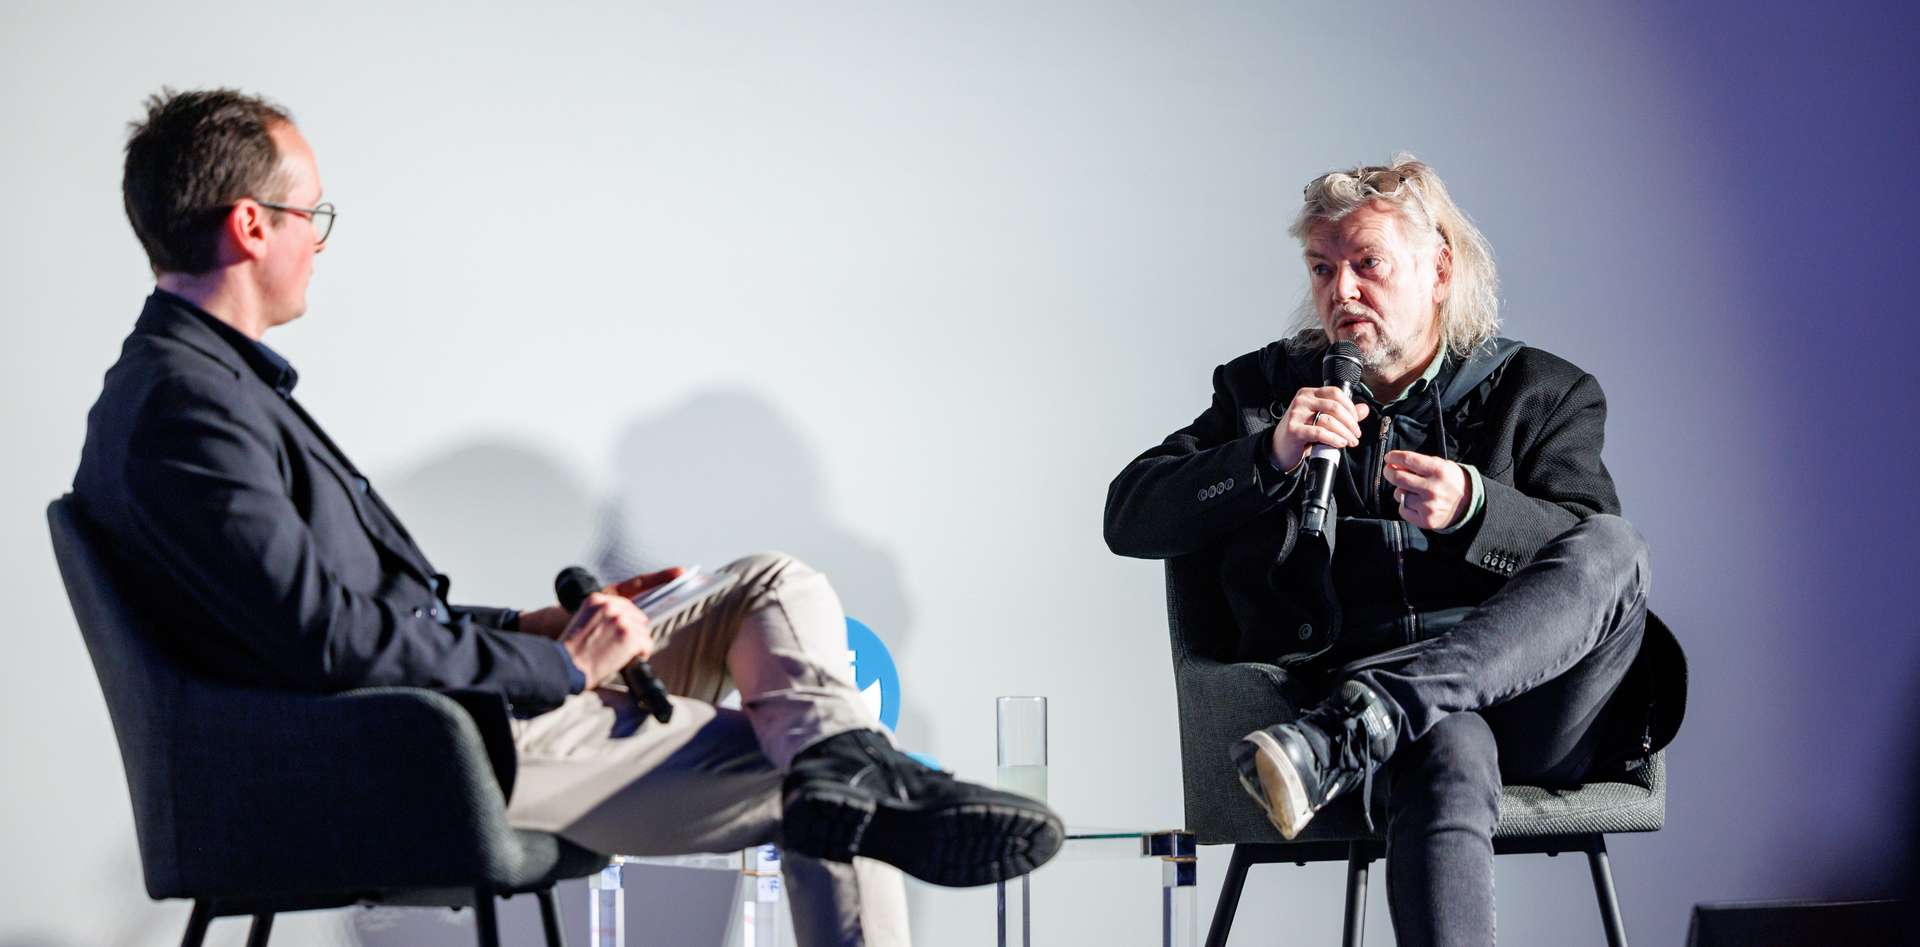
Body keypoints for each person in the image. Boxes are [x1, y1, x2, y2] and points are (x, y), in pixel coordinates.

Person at [73, 89, 1063, 947]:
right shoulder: (187, 407)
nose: (319, 243)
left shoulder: (194, 387)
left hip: (449, 705)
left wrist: (533, 627)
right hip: (432, 747)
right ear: (252, 226)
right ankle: (849, 771)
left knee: (767, 583)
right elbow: (323, 640)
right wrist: (561, 667)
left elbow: (336, 615)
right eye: (311, 216)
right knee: (825, 794)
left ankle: (843, 758)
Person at [1104, 155, 1652, 947]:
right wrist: (1268, 456)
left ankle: (1372, 715)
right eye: (1322, 268)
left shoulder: (1542, 390)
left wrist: (1478, 510)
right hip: (1371, 704)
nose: (1342, 291)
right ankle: (1381, 716)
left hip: (1536, 702)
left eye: (1368, 263)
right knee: (1444, 741)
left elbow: (1597, 579)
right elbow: (1128, 514)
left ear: (1439, 270)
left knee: (1617, 544)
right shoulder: (1263, 393)